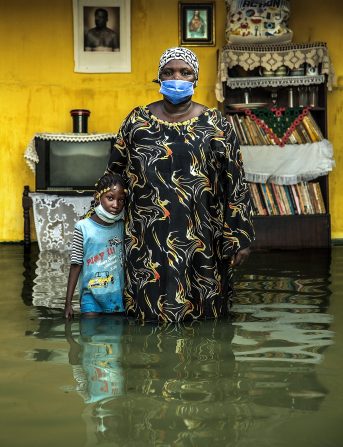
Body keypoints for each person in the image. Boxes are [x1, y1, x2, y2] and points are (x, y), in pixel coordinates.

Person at [106, 47, 255, 322]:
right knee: (147, 316)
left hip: (203, 237)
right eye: (169, 72)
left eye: (185, 72)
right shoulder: (136, 122)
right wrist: (100, 227)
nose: (177, 77)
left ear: (195, 79)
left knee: (205, 319)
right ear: (159, 78)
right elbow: (114, 176)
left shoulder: (216, 124)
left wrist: (240, 237)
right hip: (147, 239)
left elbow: (235, 182)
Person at [64, 173, 126, 319]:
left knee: (115, 339)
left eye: (121, 200)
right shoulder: (83, 227)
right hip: (90, 300)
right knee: (89, 336)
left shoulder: (123, 227)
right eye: (110, 198)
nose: (116, 205)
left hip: (117, 299)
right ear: (97, 197)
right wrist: (68, 304)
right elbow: (76, 264)